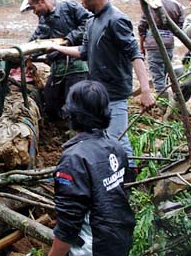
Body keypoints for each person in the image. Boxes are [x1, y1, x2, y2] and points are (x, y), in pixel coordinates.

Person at [48, 0, 155, 167]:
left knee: (117, 139)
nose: (80, 1)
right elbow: (84, 51)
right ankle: (108, 173)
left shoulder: (116, 20)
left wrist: (146, 90)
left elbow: (135, 54)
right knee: (104, 139)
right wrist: (56, 48)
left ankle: (129, 180)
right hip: (99, 93)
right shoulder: (92, 21)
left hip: (114, 92)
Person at [49, 80, 135, 256]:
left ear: (72, 114)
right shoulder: (115, 146)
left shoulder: (73, 160)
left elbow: (68, 224)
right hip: (120, 237)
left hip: (93, 246)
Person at [24, 0, 92, 121]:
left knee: (74, 104)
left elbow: (89, 23)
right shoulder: (44, 18)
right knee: (50, 104)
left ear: (41, 1)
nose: (34, 12)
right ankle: (59, 132)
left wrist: (68, 40)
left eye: (33, 7)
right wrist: (24, 53)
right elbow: (37, 40)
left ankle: (76, 134)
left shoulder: (69, 7)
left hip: (77, 66)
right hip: (57, 68)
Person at [137, 0, 185, 97]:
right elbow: (179, 28)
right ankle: (174, 100)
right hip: (169, 44)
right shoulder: (178, 6)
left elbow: (142, 26)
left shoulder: (151, 2)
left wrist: (142, 46)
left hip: (153, 44)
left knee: (157, 77)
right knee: (165, 73)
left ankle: (162, 106)